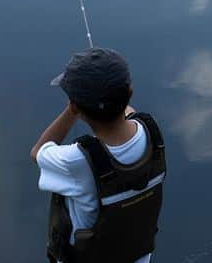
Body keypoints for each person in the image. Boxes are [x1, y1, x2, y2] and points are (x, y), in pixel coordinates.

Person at [30, 48, 166, 263]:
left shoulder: (77, 161)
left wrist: (71, 111)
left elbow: (38, 151)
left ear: (75, 106)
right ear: (129, 93)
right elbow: (131, 113)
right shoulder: (152, 134)